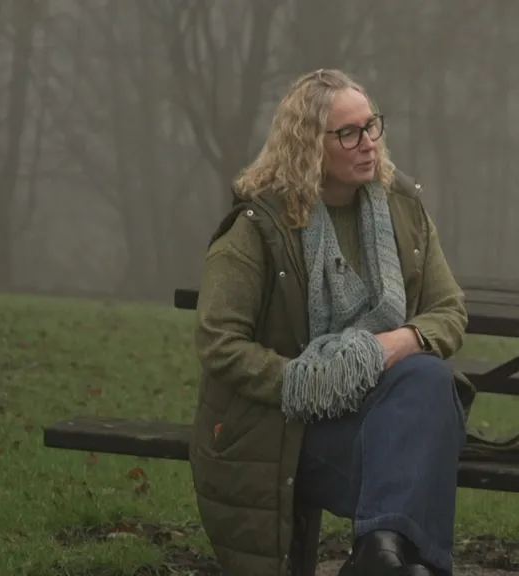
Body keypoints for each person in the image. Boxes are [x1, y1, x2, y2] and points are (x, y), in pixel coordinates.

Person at [189, 68, 474, 576]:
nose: (368, 143)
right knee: (422, 449)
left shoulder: (402, 207)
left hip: (381, 415)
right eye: (348, 133)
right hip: (286, 425)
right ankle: (399, 564)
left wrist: (392, 345)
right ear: (307, 145)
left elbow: (448, 310)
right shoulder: (259, 227)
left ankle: (379, 553)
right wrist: (307, 382)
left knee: (428, 376)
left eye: (372, 126)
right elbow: (218, 341)